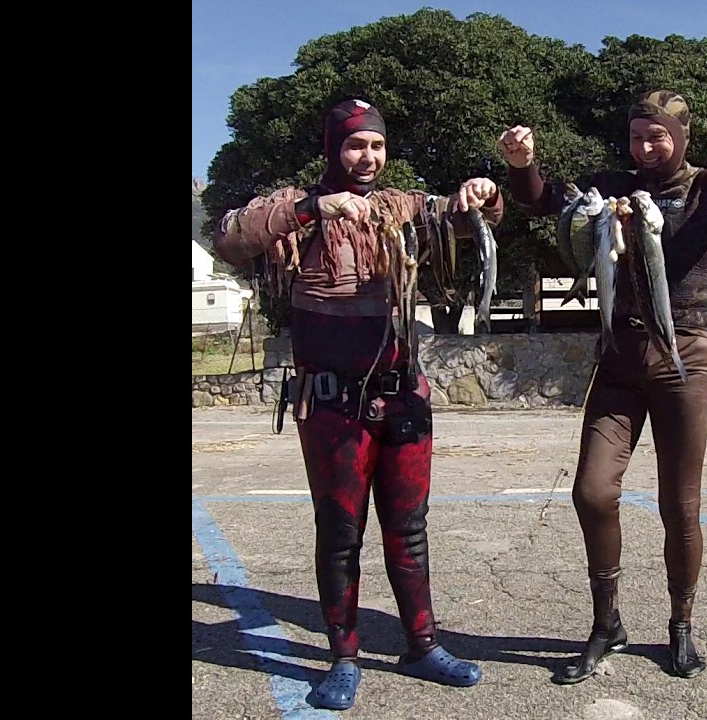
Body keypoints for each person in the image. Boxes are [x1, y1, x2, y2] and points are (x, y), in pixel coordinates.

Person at [498, 88, 707, 683]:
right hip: (618, 356)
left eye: (657, 135)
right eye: (637, 135)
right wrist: (522, 165)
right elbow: (540, 200)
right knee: (591, 491)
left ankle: (680, 627)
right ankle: (606, 623)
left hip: (685, 353)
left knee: (679, 504)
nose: (644, 147)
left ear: (681, 137)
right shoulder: (608, 185)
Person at [213, 98, 503, 711]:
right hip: (330, 404)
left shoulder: (402, 206)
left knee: (409, 528)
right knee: (340, 531)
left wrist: (483, 193)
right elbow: (230, 238)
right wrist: (310, 207)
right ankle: (343, 656)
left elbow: (460, 216)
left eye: (375, 146)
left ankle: (422, 644)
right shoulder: (295, 206)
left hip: (403, 396)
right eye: (354, 145)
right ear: (333, 149)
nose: (366, 157)